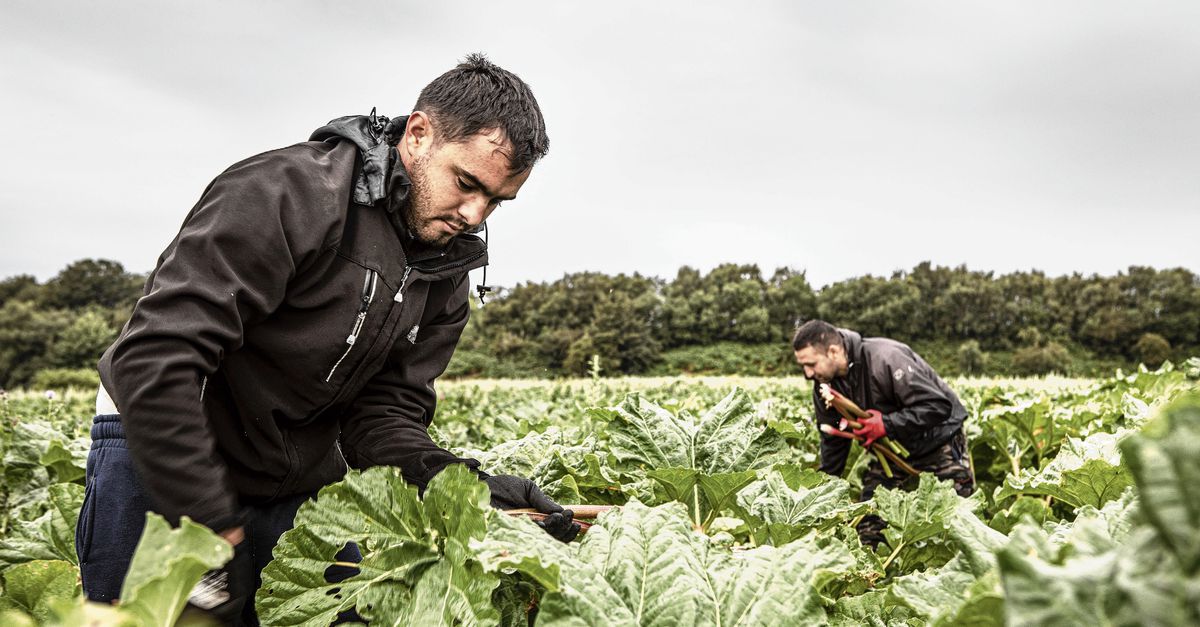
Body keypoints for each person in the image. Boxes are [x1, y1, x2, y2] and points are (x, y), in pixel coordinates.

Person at [78, 54, 578, 623]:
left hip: (288, 469)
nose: (475, 213)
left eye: (496, 201)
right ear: (418, 134)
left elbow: (383, 416)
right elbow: (155, 358)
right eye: (467, 184)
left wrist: (470, 490)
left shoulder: (445, 271)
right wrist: (208, 522)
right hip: (163, 447)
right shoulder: (286, 193)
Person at [791, 319, 974, 547]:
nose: (807, 374)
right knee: (868, 525)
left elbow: (938, 406)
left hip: (939, 441)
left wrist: (887, 424)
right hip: (893, 454)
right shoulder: (824, 387)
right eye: (803, 367)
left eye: (811, 364)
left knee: (961, 525)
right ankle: (871, 576)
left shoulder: (885, 358)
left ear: (833, 351)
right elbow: (833, 443)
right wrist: (818, 497)